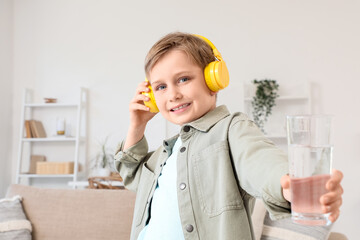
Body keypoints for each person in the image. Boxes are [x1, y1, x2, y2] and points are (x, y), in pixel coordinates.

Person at [114, 32, 343, 240]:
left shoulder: (232, 130)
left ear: (214, 80)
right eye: (161, 87)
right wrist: (137, 124)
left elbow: (260, 162)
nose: (173, 94)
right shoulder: (167, 152)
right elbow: (132, 176)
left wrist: (290, 187)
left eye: (183, 79)